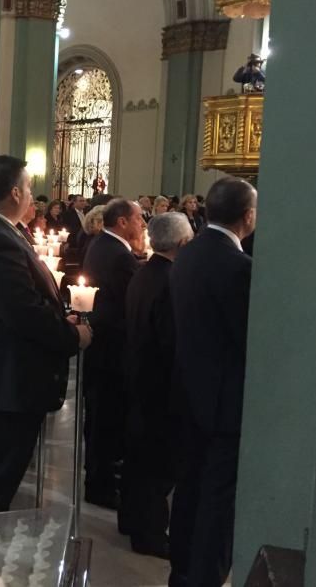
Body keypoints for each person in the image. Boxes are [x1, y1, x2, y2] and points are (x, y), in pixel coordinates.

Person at [0, 156, 90, 514]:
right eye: (28, 187)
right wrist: (72, 336)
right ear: (14, 192)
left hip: (1, 377)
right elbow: (22, 312)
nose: (31, 196)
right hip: (3, 380)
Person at [169, 177, 255, 587]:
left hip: (189, 392)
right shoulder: (238, 267)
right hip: (224, 402)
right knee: (219, 502)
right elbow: (245, 338)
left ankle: (181, 570)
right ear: (249, 215)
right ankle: (204, 578)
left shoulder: (188, 254)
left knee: (189, 488)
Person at [122, 212, 193, 559]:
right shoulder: (170, 281)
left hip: (138, 377)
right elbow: (171, 341)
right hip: (159, 385)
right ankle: (148, 534)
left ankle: (130, 520)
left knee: (138, 459)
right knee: (157, 466)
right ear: (182, 243)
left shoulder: (145, 273)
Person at [81, 198, 145, 510]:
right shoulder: (118, 254)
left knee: (99, 418)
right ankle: (100, 485)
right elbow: (131, 298)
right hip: (111, 349)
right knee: (106, 419)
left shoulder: (103, 245)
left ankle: (99, 477)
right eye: (138, 219)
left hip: (101, 345)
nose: (142, 224)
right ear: (122, 222)